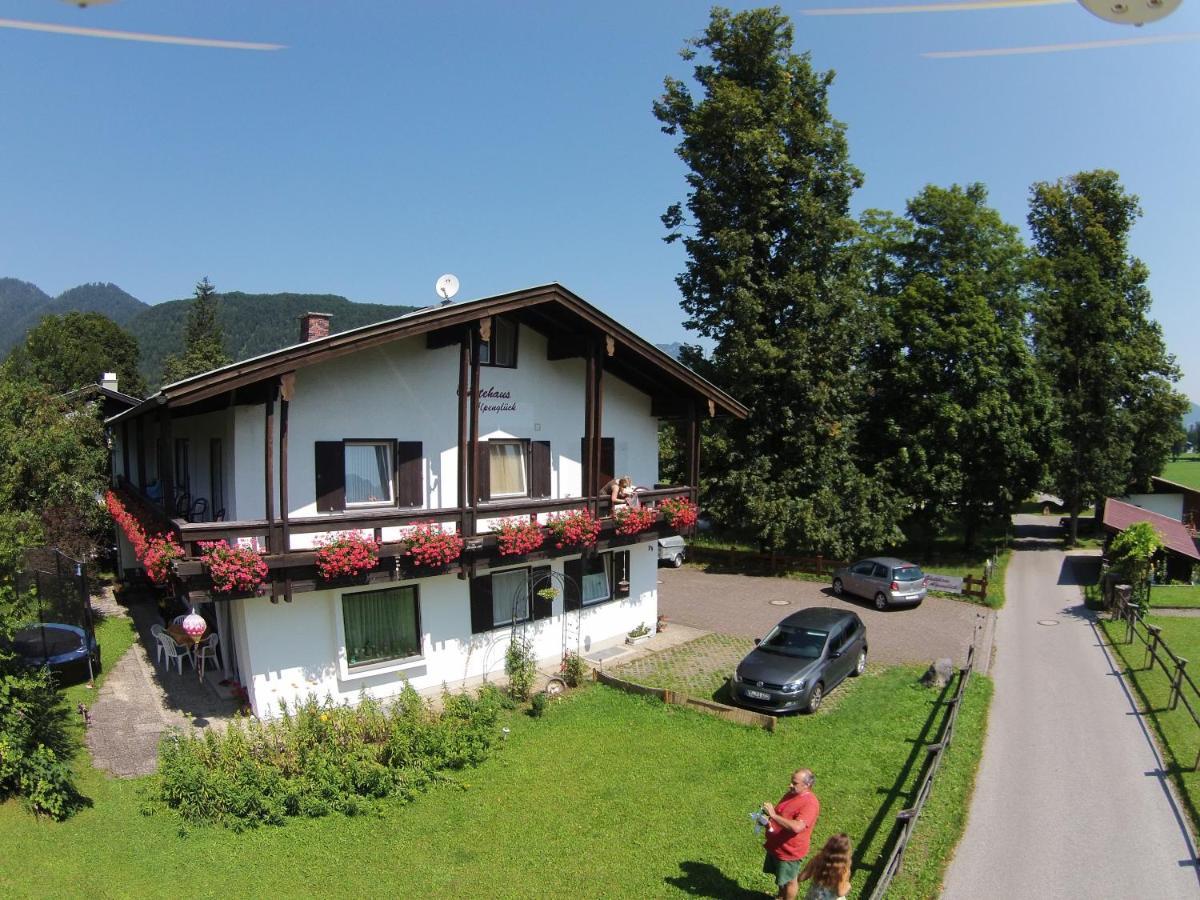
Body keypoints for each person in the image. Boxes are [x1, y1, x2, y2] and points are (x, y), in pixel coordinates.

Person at [762, 768, 820, 900]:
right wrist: (768, 821)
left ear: (807, 785)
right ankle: (780, 897)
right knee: (781, 877)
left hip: (789, 851)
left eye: (795, 783)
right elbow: (782, 814)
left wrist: (773, 815)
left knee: (790, 881)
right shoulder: (791, 794)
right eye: (791, 782)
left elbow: (797, 827)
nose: (790, 785)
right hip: (777, 846)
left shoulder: (810, 803)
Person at [797, 833, 852, 900]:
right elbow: (840, 892)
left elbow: (802, 877)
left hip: (814, 897)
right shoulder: (843, 870)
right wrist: (848, 886)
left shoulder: (817, 859)